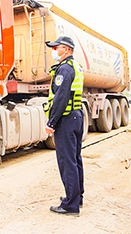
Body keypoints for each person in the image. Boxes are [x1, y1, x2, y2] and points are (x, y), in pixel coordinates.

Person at [43, 36, 84, 216]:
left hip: (66, 119)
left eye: (56, 48)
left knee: (67, 162)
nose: (53, 51)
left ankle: (70, 205)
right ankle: (77, 197)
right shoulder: (76, 67)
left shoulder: (65, 69)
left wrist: (52, 122)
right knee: (75, 160)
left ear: (66, 50)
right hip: (76, 116)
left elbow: (61, 97)